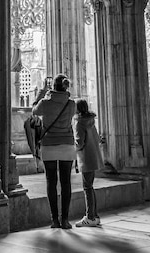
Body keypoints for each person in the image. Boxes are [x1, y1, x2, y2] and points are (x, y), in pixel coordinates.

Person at [32, 73, 76, 229]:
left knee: (51, 182)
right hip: (67, 145)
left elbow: (34, 112)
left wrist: (42, 92)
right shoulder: (71, 104)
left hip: (49, 145)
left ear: (52, 86)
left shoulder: (45, 103)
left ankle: (54, 220)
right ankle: (65, 220)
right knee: (66, 183)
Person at [72, 98, 104, 227]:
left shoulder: (79, 122)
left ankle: (90, 217)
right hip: (94, 156)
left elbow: (79, 143)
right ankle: (94, 216)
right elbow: (97, 138)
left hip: (85, 158)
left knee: (87, 187)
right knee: (90, 187)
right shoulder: (90, 121)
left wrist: (70, 145)